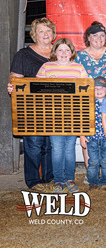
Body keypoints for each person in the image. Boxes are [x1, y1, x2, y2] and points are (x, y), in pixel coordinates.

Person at [8, 17, 56, 191]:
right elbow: (14, 79)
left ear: (53, 34)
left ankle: (50, 177)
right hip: (32, 108)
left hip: (56, 108)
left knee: (51, 145)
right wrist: (12, 84)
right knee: (34, 145)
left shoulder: (60, 53)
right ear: (34, 34)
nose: (45, 34)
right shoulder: (24, 54)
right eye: (41, 31)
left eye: (48, 30)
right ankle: (34, 180)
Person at [36, 38, 89, 193]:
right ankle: (58, 180)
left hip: (72, 115)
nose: (64, 53)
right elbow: (35, 89)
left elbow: (86, 91)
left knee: (69, 149)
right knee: (57, 148)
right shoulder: (47, 67)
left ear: (72, 52)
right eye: (60, 50)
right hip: (53, 116)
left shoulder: (79, 68)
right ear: (55, 52)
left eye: (67, 50)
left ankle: (70, 179)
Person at [75, 21, 106, 174]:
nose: (98, 38)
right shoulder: (79, 57)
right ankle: (91, 174)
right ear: (88, 37)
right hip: (87, 105)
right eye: (95, 35)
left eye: (102, 35)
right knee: (89, 140)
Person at [82, 77, 106, 191]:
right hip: (92, 138)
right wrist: (82, 135)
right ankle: (93, 182)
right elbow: (82, 120)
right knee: (93, 161)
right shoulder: (87, 102)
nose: (98, 90)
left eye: (101, 88)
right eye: (95, 88)